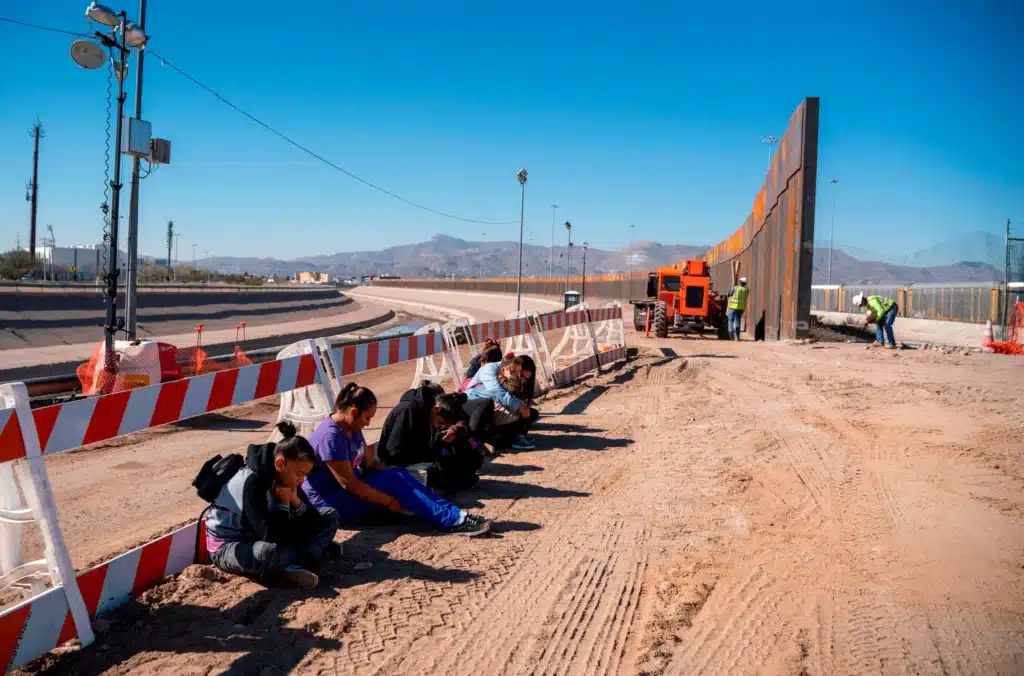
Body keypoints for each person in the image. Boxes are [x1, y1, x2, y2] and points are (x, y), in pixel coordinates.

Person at [302, 383, 491, 536]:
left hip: (349, 489)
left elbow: (369, 463)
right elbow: (350, 485)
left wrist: (394, 475)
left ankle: (455, 514)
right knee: (396, 481)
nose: (368, 423)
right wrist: (388, 501)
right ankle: (452, 521)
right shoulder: (331, 437)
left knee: (399, 475)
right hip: (330, 503)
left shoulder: (351, 427)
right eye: (367, 418)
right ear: (353, 412)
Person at [203, 421, 341, 589]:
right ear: (280, 464)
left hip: (276, 536)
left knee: (329, 515)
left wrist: (297, 503)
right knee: (267, 552)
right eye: (299, 474)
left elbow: (313, 519)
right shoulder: (251, 483)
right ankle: (306, 557)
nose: (302, 480)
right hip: (233, 545)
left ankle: (297, 562)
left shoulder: (287, 477)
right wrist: (283, 505)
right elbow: (271, 535)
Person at [378, 382, 484, 492]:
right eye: (440, 422)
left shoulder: (429, 412)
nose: (438, 426)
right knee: (438, 473)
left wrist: (444, 440)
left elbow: (428, 446)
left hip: (419, 458)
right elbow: (394, 452)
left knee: (472, 457)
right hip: (400, 464)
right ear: (436, 409)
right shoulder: (408, 410)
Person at [465, 355, 536, 450]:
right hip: (478, 404)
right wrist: (518, 405)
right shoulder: (489, 369)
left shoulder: (513, 372)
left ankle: (516, 436)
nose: (521, 378)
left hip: (494, 402)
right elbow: (496, 391)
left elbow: (514, 395)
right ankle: (509, 439)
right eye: (521, 375)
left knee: (531, 413)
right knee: (517, 412)